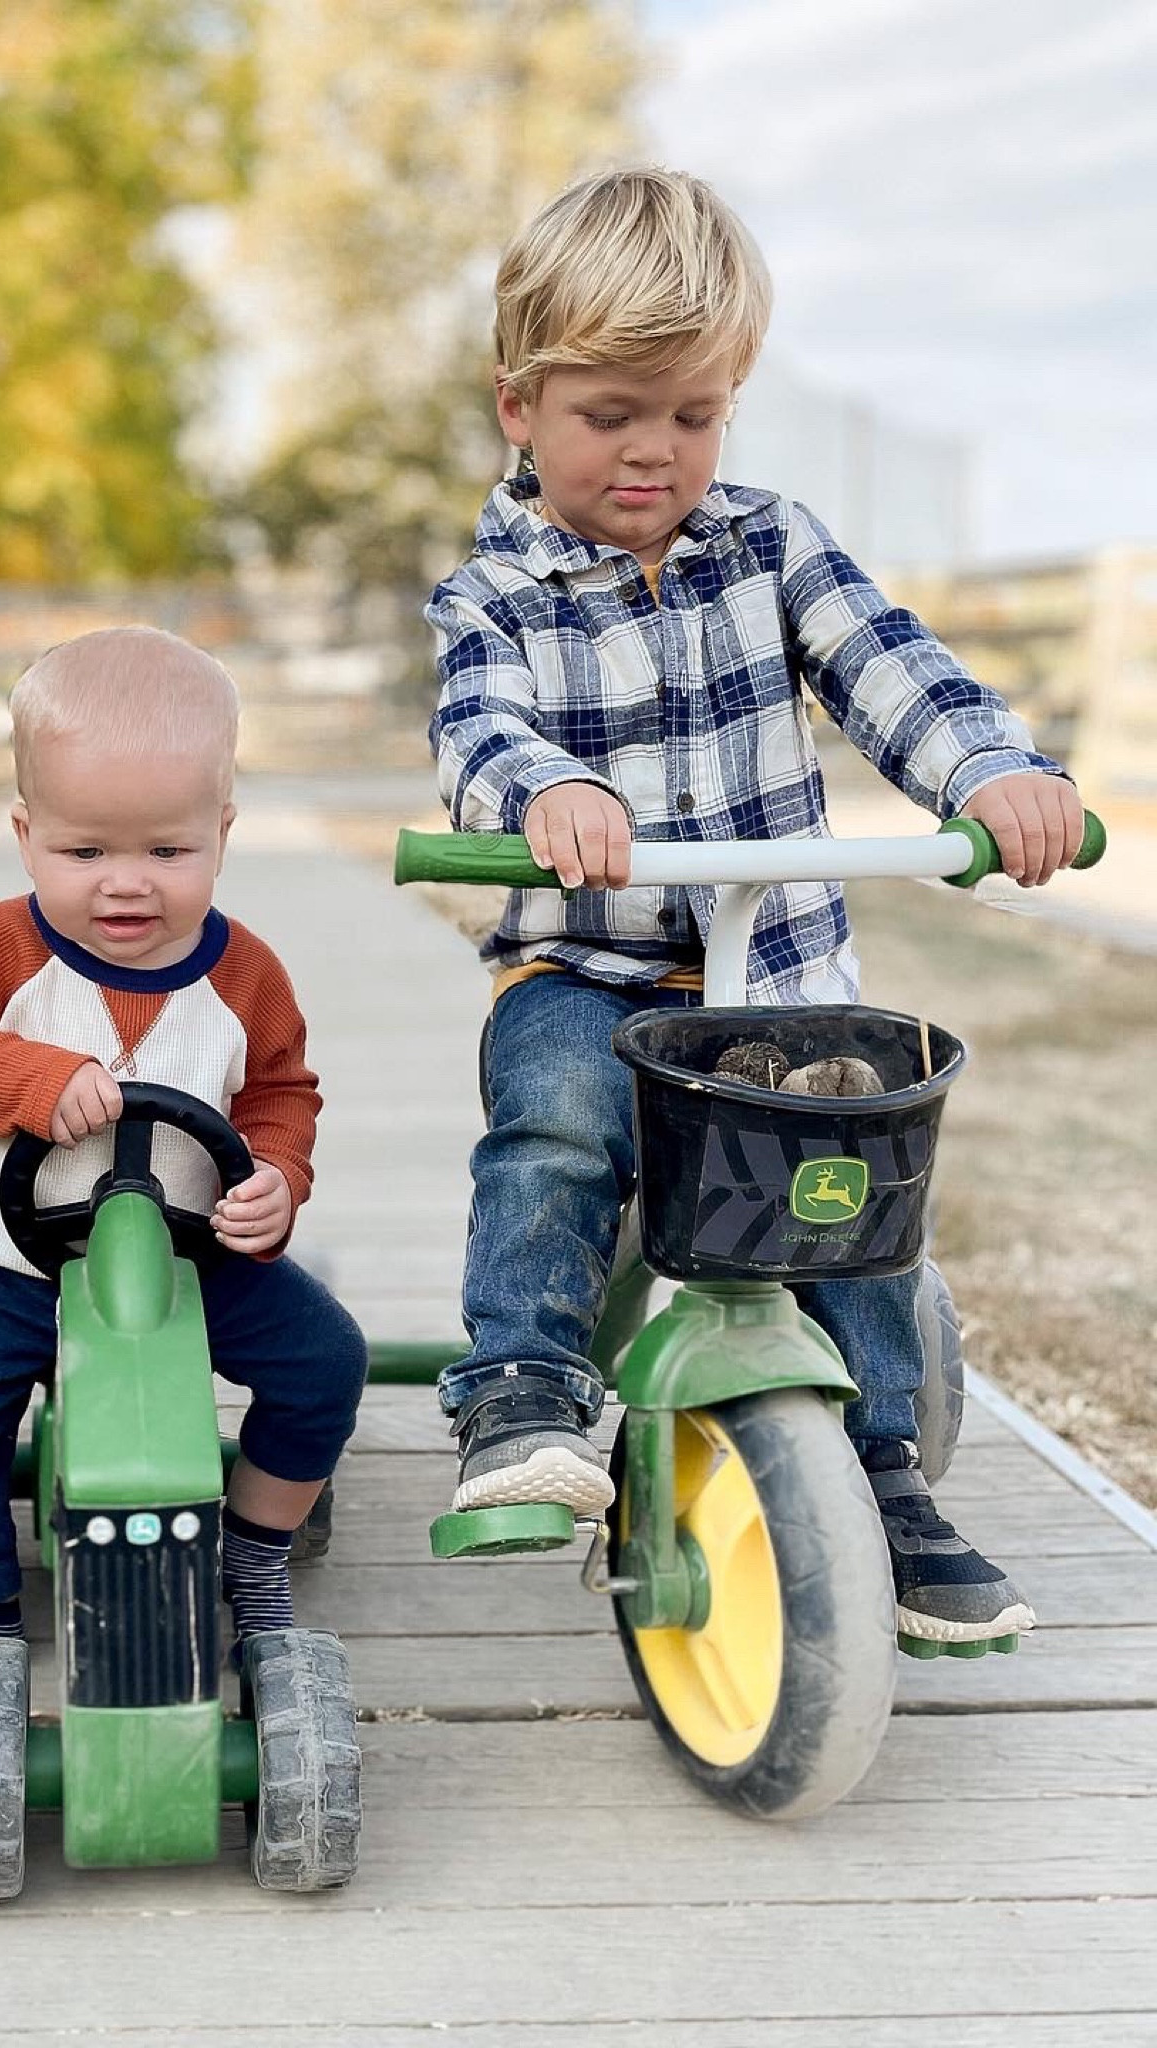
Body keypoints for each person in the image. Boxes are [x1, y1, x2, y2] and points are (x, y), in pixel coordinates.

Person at [427, 167, 1085, 1649]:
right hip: (589, 972)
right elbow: (477, 732)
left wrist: (990, 771)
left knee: (848, 1187)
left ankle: (882, 1471)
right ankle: (522, 1394)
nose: (657, 452)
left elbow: (896, 669)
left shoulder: (771, 544)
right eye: (612, 414)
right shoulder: (496, 593)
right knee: (554, 1127)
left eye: (696, 413)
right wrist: (542, 794)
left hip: (772, 973)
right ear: (518, 405)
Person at [0, 625, 367, 1707]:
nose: (124, 884)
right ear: (25, 831)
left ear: (220, 833)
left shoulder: (244, 974)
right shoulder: (1, 951)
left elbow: (279, 1090)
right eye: (85, 853)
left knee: (324, 1360)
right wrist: (25, 1078)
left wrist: (275, 1176)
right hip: (16, 1269)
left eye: (165, 852)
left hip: (192, 1267)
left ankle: (255, 1547)